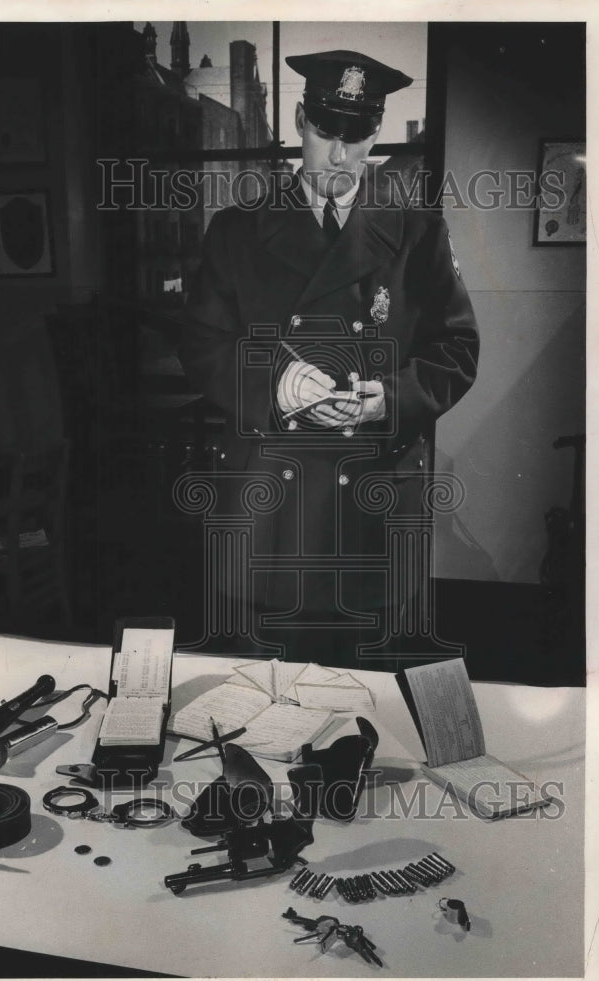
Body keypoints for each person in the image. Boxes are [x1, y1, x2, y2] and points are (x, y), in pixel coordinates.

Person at [179, 50, 479, 665]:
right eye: (324, 132)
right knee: (259, 707)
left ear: (376, 134)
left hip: (370, 503)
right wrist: (273, 384)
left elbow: (456, 349)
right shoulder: (237, 231)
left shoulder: (418, 232)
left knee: (364, 706)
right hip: (270, 509)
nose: (339, 156)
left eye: (358, 135)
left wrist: (387, 399)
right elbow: (203, 343)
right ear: (298, 120)